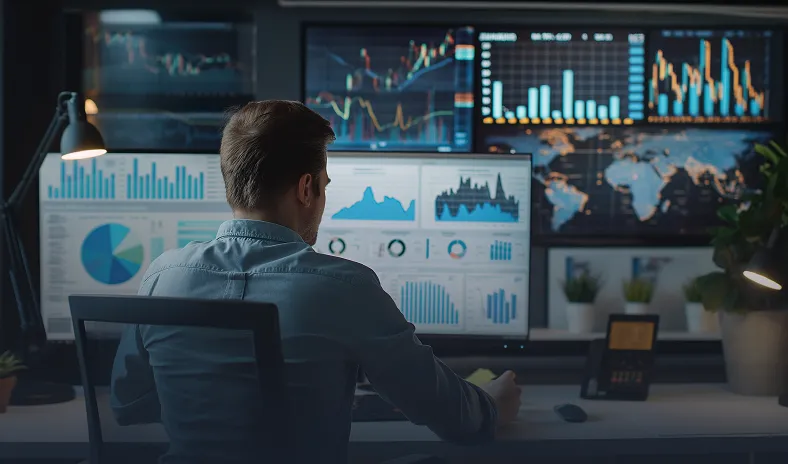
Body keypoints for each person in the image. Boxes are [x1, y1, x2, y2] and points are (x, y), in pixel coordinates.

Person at [110, 100, 521, 463]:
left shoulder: (164, 275)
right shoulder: (344, 286)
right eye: (323, 186)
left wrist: (214, 400)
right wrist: (492, 407)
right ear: (306, 189)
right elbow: (450, 416)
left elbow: (127, 403)